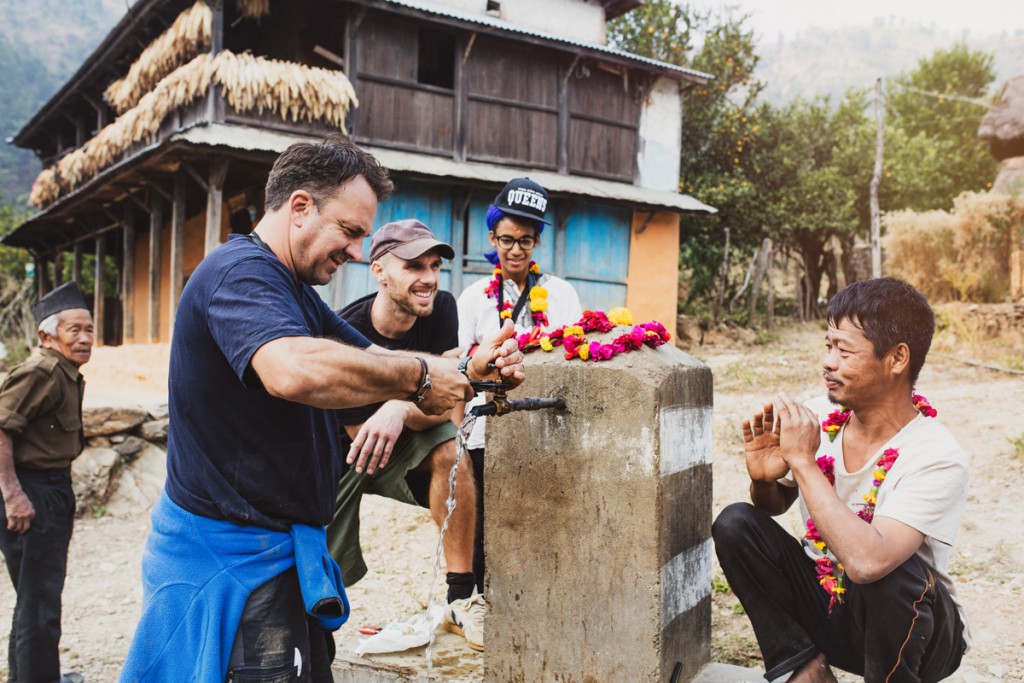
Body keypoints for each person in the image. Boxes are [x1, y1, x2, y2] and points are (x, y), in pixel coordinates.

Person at [121, 136, 524, 681]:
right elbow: (293, 370)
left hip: (279, 553)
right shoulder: (237, 273)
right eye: (351, 232)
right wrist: (422, 376)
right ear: (301, 207)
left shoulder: (296, 292)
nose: (357, 252)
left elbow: (374, 357)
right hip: (234, 562)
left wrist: (468, 372)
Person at [712, 278, 969, 683]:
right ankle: (804, 667)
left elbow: (868, 563)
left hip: (916, 634)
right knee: (736, 523)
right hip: (830, 608)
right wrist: (765, 481)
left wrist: (804, 462)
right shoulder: (820, 419)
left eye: (844, 350)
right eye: (827, 346)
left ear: (897, 358)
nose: (828, 362)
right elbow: (772, 506)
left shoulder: (937, 455)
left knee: (890, 572)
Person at [326, 218, 485, 650]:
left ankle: (461, 599)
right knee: (317, 586)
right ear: (379, 270)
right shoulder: (347, 333)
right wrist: (419, 396)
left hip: (396, 442)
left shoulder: (442, 309)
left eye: (434, 266)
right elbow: (366, 433)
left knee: (453, 453)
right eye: (414, 267)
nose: (429, 279)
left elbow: (453, 405)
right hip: (341, 452)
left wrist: (398, 404)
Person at [456, 178, 582, 593]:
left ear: (537, 242)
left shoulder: (561, 294)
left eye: (526, 240)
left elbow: (573, 358)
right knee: (482, 525)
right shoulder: (474, 296)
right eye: (507, 239)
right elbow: (457, 366)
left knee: (539, 518)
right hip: (484, 433)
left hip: (541, 428)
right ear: (492, 237)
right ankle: (475, 605)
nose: (515, 250)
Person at [0, 281, 92, 683]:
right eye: (74, 330)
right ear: (47, 335)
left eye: (89, 329)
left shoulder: (66, 372)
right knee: (39, 604)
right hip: (32, 490)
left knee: (35, 600)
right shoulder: (42, 370)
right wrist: (13, 494)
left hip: (51, 488)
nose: (85, 338)